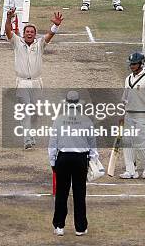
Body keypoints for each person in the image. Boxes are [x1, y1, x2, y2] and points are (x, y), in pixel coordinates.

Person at [6, 7, 63, 148]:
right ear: (23, 34)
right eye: (27, 32)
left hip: (37, 83)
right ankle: (28, 140)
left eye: (32, 32)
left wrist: (55, 25)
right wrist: (8, 18)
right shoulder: (17, 43)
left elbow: (50, 35)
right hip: (22, 83)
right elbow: (8, 31)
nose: (29, 34)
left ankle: (31, 136)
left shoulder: (40, 44)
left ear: (35, 34)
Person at [49, 91, 99, 236]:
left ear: (66, 103)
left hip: (63, 158)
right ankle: (80, 227)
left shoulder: (58, 120)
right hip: (80, 159)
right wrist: (93, 159)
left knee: (61, 193)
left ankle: (59, 226)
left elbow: (53, 143)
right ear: (78, 104)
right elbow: (92, 143)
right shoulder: (86, 120)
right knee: (79, 193)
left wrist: (52, 161)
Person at [120, 52, 145, 179]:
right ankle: (130, 170)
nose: (132, 66)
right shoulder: (128, 79)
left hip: (143, 114)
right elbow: (125, 98)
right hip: (129, 115)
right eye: (131, 64)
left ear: (141, 64)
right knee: (127, 142)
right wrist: (122, 113)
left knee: (138, 142)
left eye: (134, 64)